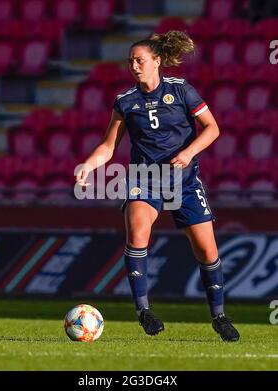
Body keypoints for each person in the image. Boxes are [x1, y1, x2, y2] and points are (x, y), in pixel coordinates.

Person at [76, 31, 240, 342]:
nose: (134, 66)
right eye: (130, 62)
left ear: (157, 61)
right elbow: (108, 146)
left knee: (207, 251)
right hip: (143, 180)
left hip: (185, 181)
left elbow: (213, 128)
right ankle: (143, 310)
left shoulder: (181, 91)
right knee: (138, 232)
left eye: (139, 60)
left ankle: (219, 316)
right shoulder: (125, 101)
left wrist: (189, 152)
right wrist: (88, 165)